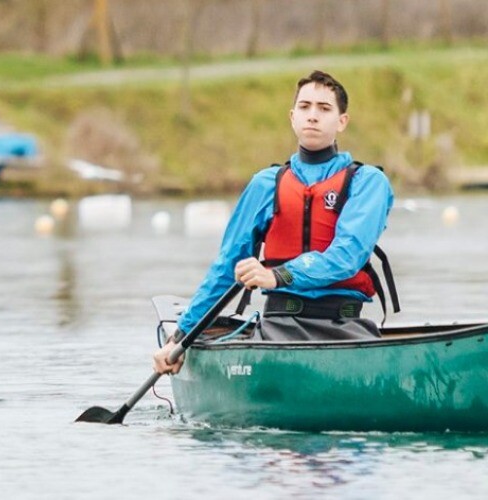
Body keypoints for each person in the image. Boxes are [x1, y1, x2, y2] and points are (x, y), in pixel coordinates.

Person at [155, 70, 396, 374]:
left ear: (342, 121)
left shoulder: (368, 182)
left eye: (324, 109)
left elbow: (346, 257)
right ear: (292, 117)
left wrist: (277, 275)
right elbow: (228, 266)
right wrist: (180, 336)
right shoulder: (265, 184)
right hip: (277, 328)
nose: (313, 116)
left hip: (345, 327)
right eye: (305, 107)